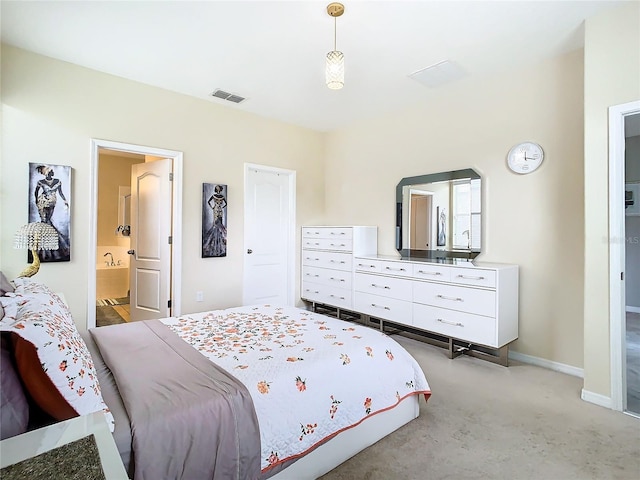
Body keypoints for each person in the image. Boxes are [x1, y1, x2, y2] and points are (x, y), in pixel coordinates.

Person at [33, 165, 70, 261]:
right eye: (49, 171)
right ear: (46, 173)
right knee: (45, 222)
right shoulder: (41, 182)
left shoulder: (57, 181)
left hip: (52, 203)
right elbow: (36, 192)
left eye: (52, 170)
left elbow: (60, 192)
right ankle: (49, 250)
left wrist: (65, 200)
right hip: (43, 202)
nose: (52, 172)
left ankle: (50, 248)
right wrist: (37, 201)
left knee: (47, 222)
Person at [203, 185, 227, 257]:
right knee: (215, 224)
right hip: (216, 210)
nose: (218, 190)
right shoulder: (214, 196)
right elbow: (208, 202)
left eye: (219, 189)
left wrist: (221, 207)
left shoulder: (222, 197)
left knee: (220, 224)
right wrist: (212, 207)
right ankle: (214, 242)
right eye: (217, 189)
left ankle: (220, 242)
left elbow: (225, 203)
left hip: (219, 210)